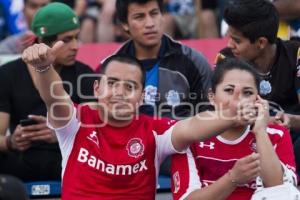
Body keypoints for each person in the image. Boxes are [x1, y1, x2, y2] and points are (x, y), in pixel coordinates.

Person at [22, 41, 257, 199]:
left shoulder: (155, 130)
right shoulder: (76, 121)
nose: (120, 92)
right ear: (96, 87)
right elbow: (56, 99)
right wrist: (44, 69)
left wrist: (235, 114)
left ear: (142, 95)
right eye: (112, 83)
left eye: (130, 86)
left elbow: (193, 127)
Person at [171, 58, 297, 200]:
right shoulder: (189, 137)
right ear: (212, 97)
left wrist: (260, 131)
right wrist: (233, 178)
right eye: (229, 90)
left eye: (248, 93)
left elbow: (280, 192)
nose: (238, 100)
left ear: (258, 99)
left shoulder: (276, 133)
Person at [0, 2, 96, 182]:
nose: (76, 46)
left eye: (76, 37)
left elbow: (97, 131)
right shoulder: (8, 74)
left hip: (67, 158)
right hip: (21, 160)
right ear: (43, 41)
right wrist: (12, 141)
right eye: (67, 40)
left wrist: (62, 132)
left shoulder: (84, 74)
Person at [217, 0, 300, 175]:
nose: (230, 45)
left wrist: (291, 121)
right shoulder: (225, 60)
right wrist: (258, 122)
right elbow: (220, 116)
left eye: (237, 40)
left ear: (261, 42)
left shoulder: (296, 54)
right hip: (247, 138)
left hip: (293, 141)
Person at [115, 0, 212, 119]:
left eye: (154, 13)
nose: (150, 23)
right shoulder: (112, 68)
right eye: (139, 17)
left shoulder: (195, 62)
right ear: (125, 24)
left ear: (162, 15)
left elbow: (209, 115)